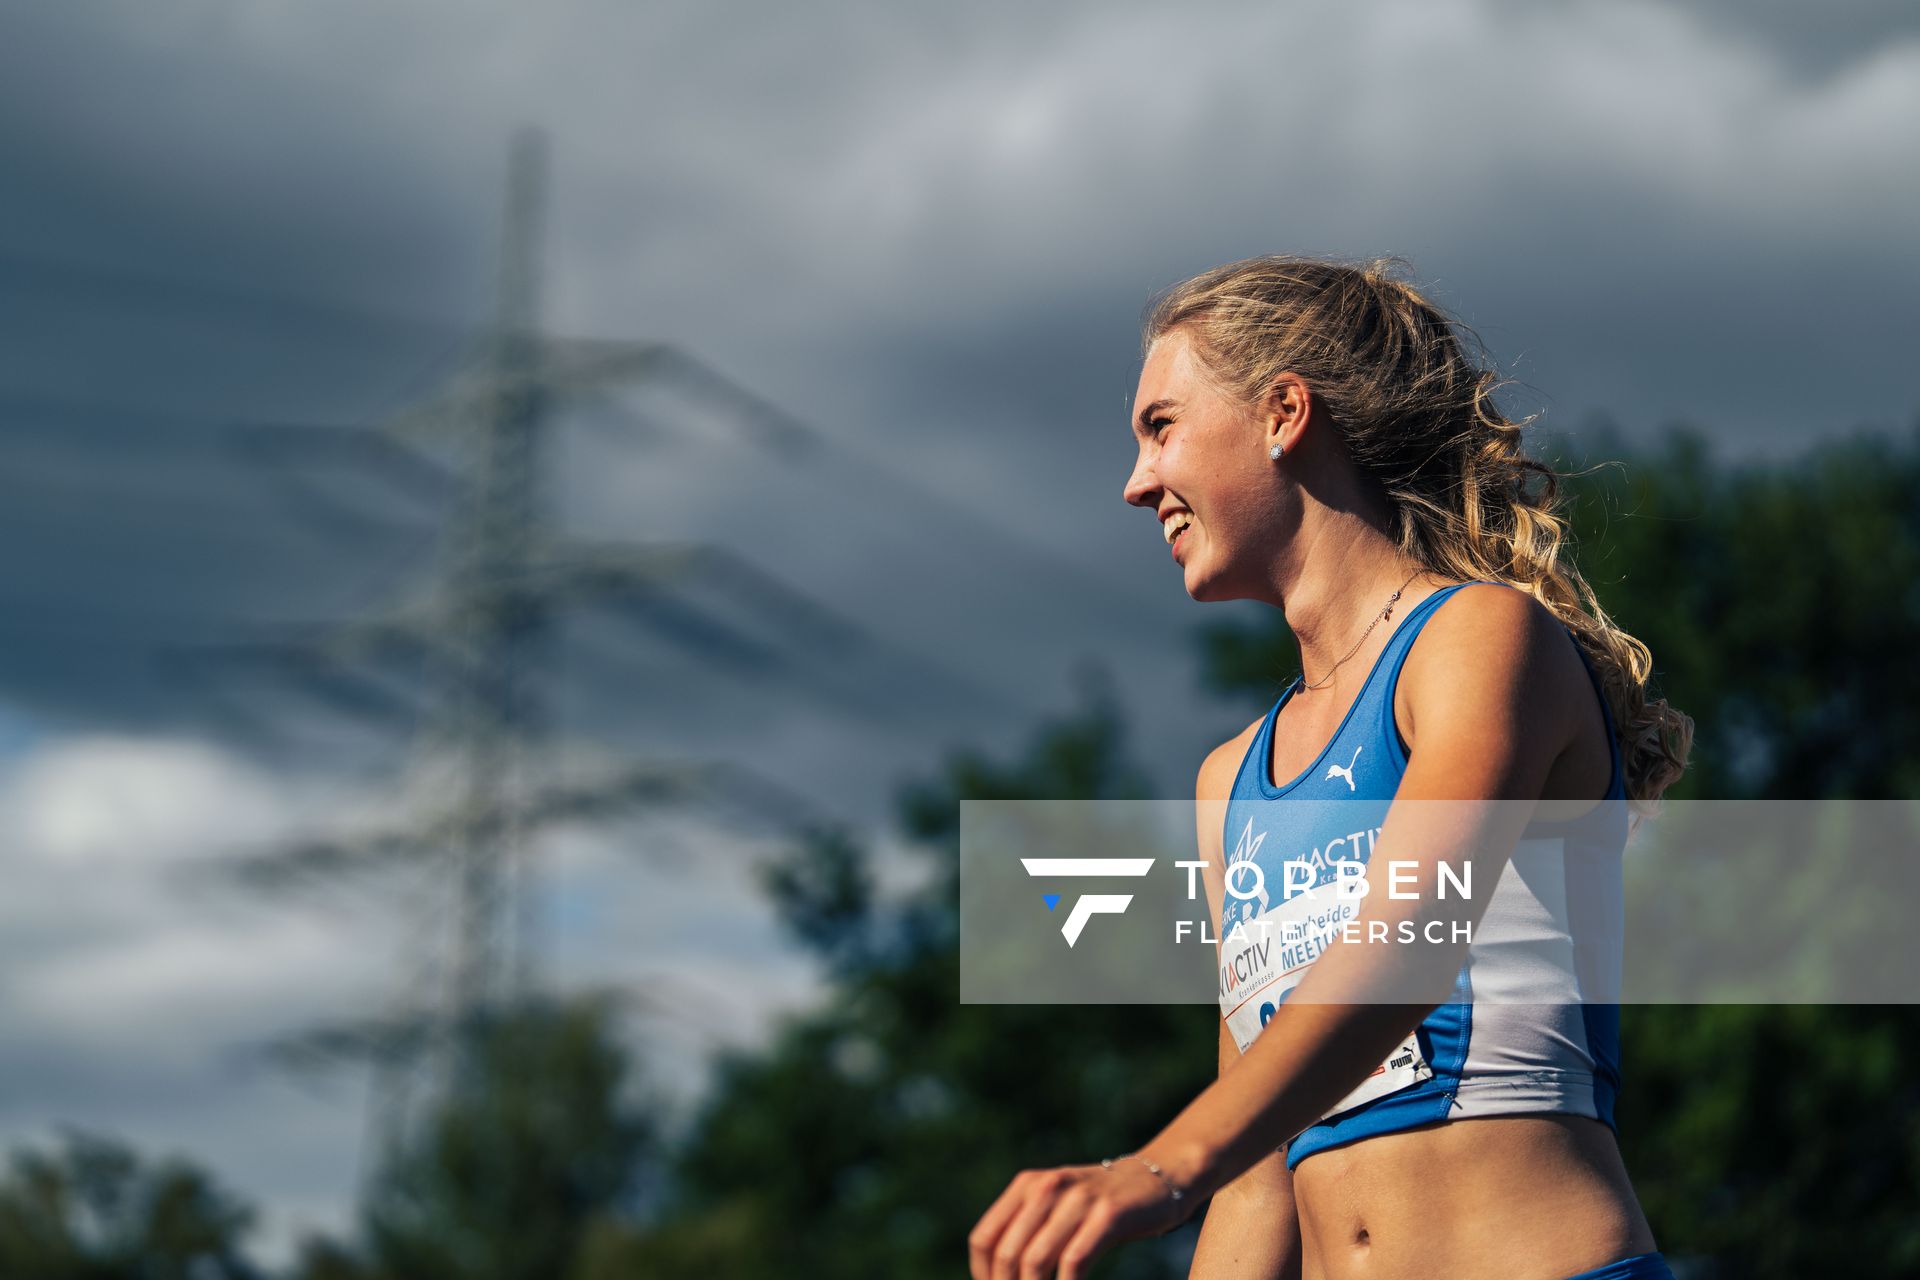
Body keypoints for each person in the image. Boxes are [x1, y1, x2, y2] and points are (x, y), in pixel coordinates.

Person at [967, 256, 1694, 1280]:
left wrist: (1155, 1167)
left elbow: (1411, 937)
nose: (1136, 484)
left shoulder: (1479, 640)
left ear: (1283, 412)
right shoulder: (1230, 781)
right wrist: (1196, 1178)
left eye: (1160, 427)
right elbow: (1258, 1175)